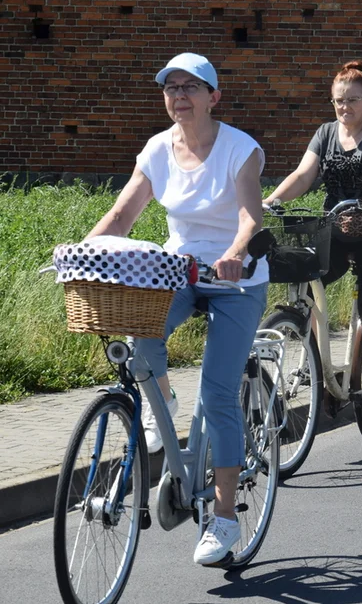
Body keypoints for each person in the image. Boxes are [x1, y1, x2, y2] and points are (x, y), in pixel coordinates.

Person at [83, 53, 268, 565]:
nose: (179, 95)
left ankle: (225, 517)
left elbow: (251, 216)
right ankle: (158, 408)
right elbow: (122, 213)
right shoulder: (157, 150)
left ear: (214, 96)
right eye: (171, 87)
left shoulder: (239, 149)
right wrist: (79, 256)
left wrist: (235, 254)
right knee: (139, 342)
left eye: (191, 86)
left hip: (235, 279)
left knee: (218, 391)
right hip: (179, 272)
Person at [266, 61, 362, 416]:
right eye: (338, 101)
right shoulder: (326, 133)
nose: (345, 108)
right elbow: (303, 174)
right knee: (306, 283)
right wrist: (273, 200)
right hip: (337, 228)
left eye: (352, 101)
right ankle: (319, 367)